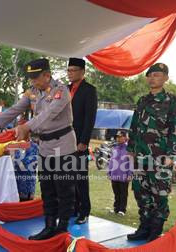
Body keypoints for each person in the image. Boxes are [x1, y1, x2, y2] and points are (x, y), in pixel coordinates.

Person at [0, 58, 77, 240]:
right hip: (45, 147)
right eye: (30, 78)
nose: (32, 81)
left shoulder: (61, 91)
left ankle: (63, 227)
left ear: (47, 75)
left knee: (64, 188)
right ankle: (49, 226)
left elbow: (47, 115)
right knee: (47, 188)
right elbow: (15, 109)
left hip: (63, 145)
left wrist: (26, 127)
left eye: (35, 77)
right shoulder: (32, 92)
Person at [126, 63, 176, 242]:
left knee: (159, 193)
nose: (153, 78)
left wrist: (172, 155)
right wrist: (131, 149)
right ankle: (144, 226)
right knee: (140, 191)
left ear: (165, 78)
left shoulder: (172, 101)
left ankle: (156, 230)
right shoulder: (142, 101)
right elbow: (134, 126)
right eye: (150, 75)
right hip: (140, 157)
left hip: (160, 157)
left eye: (157, 75)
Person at [67, 57, 97, 224]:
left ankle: (84, 211)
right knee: (67, 177)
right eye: (68, 70)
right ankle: (73, 207)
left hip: (79, 140)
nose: (70, 74)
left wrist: (84, 140)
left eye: (73, 70)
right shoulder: (64, 89)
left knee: (80, 177)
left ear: (82, 72)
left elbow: (89, 118)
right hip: (64, 141)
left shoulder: (89, 90)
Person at [12, 119, 39, 201]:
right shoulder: (13, 145)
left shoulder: (34, 146)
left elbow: (30, 164)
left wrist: (15, 161)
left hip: (28, 188)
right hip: (14, 187)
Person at [107, 130, 132, 216]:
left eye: (120, 137)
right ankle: (116, 208)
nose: (118, 138)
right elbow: (111, 161)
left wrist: (130, 174)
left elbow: (131, 163)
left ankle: (122, 209)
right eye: (117, 137)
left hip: (124, 175)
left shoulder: (129, 149)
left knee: (123, 193)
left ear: (125, 138)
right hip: (114, 174)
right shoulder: (114, 148)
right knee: (116, 192)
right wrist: (109, 172)